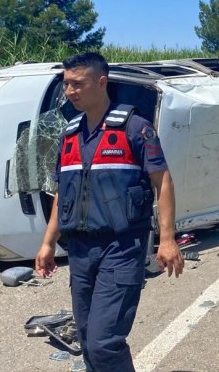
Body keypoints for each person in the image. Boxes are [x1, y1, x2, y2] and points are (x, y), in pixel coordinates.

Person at [35, 52, 184, 371]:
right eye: (66, 84)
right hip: (80, 252)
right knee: (88, 338)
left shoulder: (135, 128)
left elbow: (163, 181)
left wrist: (167, 240)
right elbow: (64, 194)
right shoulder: (70, 134)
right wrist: (48, 243)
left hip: (122, 248)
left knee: (105, 342)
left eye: (78, 84)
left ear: (101, 82)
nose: (70, 91)